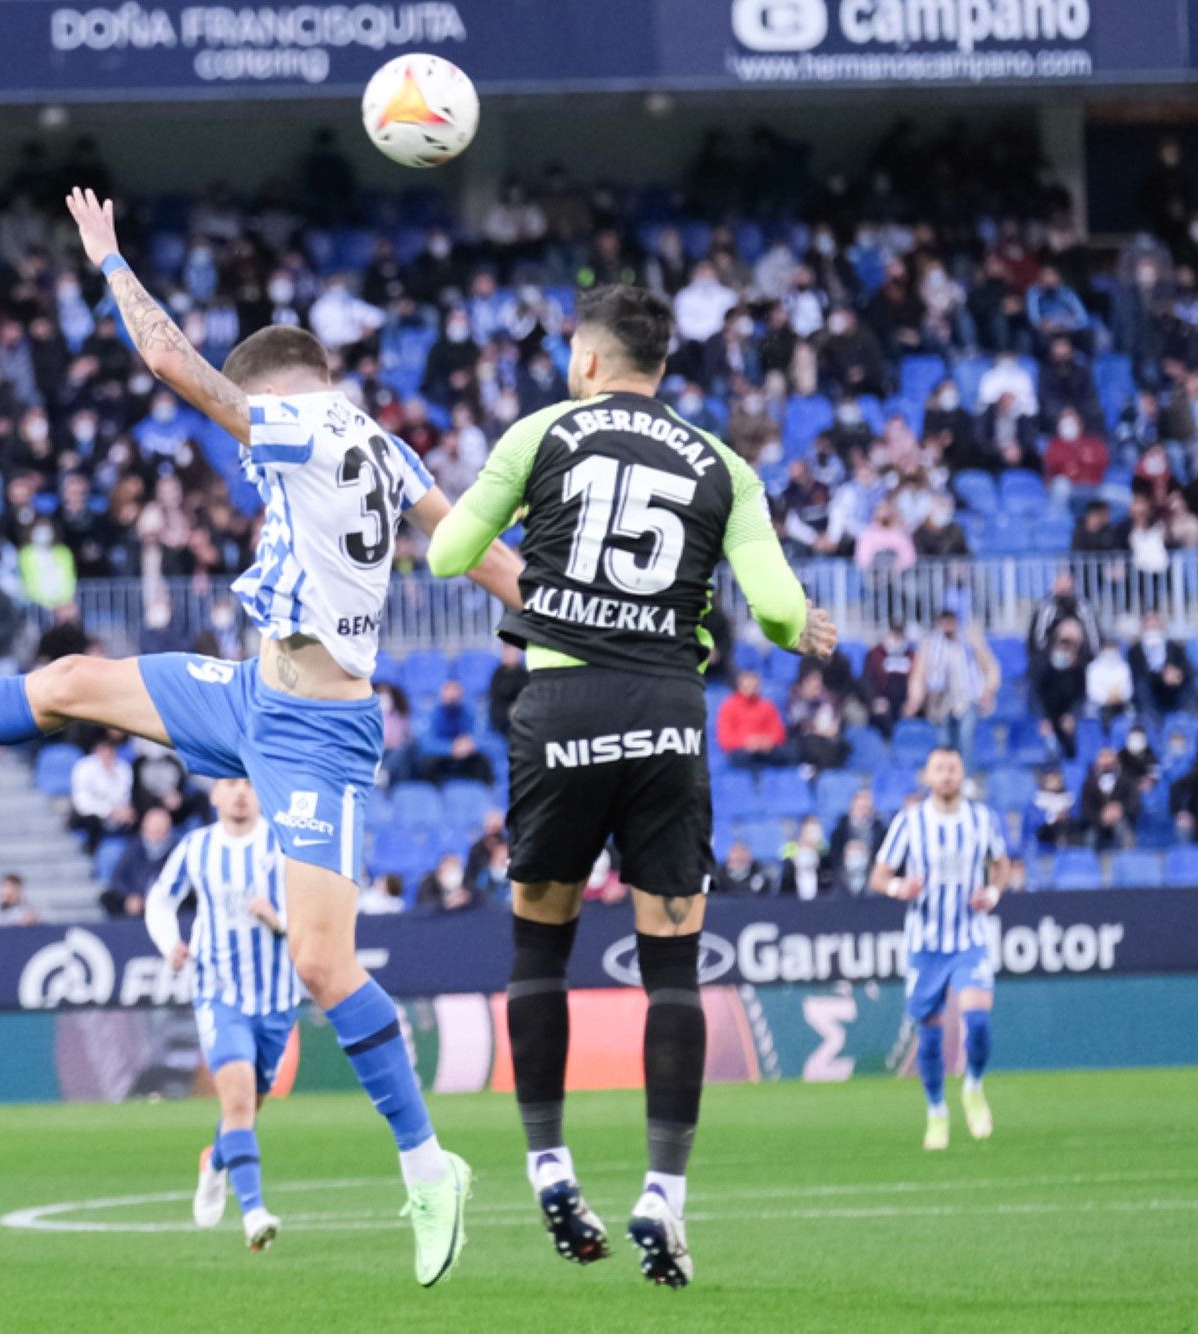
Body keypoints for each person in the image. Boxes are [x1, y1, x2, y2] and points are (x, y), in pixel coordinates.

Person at [0, 187, 523, 1287]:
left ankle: (427, 1162)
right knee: (73, 677)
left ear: (279, 388)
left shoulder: (307, 424)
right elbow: (477, 549)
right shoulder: (388, 444)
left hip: (314, 732)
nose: (241, 442)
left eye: (250, 410)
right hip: (251, 695)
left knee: (321, 958)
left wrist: (110, 258)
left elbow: (177, 366)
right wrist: (572, 620)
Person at [426, 282, 837, 1288]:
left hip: (558, 710)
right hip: (665, 715)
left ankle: (547, 1161)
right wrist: (801, 627)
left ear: (587, 360)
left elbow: (446, 552)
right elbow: (778, 609)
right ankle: (663, 1190)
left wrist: (549, 581)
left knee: (540, 942)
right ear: (662, 366)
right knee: (670, 964)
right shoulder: (723, 464)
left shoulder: (541, 431)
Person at [145, 778, 297, 1253]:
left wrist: (278, 920)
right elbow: (160, 900)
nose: (240, 793)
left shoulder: (284, 843)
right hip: (219, 993)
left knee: (247, 1109)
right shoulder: (197, 848)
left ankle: (214, 1162)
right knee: (237, 1104)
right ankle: (254, 1213)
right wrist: (170, 944)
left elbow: (317, 911)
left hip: (276, 999)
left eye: (250, 783)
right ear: (213, 795)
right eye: (230, 783)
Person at [871, 748, 1013, 1152]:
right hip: (926, 944)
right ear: (928, 776)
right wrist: (900, 888)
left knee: (978, 1021)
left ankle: (973, 1086)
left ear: (963, 774)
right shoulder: (910, 822)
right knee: (929, 1039)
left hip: (970, 937)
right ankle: (936, 1111)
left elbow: (1001, 864)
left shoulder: (981, 819)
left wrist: (994, 891)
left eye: (953, 768)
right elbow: (879, 875)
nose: (947, 775)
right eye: (940, 769)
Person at [906, 608, 999, 760]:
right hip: (940, 700)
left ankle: (967, 778)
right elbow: (919, 675)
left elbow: (990, 667)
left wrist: (988, 691)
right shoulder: (931, 646)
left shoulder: (970, 644)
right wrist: (915, 699)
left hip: (967, 697)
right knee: (944, 741)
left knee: (966, 736)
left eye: (951, 622)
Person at [716, 670, 787, 769]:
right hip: (741, 751)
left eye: (754, 685)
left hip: (765, 750)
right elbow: (725, 739)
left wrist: (767, 741)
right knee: (743, 757)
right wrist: (747, 742)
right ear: (739, 686)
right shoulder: (729, 706)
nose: (751, 689)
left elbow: (779, 732)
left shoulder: (767, 706)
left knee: (786, 754)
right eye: (747, 686)